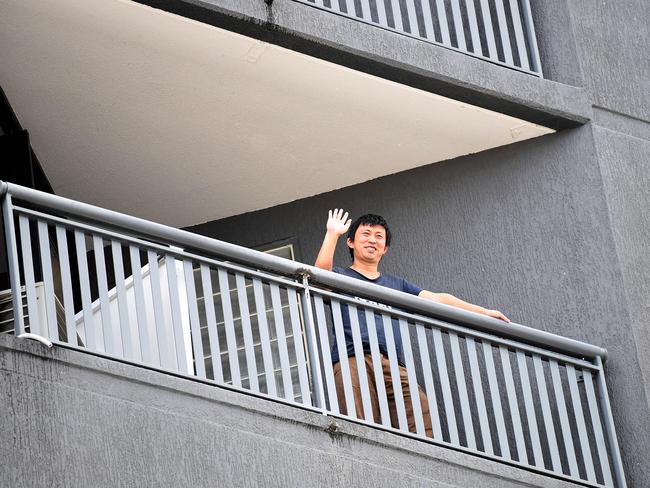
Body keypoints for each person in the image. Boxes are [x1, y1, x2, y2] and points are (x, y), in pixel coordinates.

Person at [314, 208, 510, 436]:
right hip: (352, 359)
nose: (372, 240)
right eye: (366, 234)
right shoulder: (342, 276)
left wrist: (483, 312)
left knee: (419, 415)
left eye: (379, 236)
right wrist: (332, 234)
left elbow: (438, 298)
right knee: (360, 422)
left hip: (392, 363)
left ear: (385, 248)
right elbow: (319, 279)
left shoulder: (397, 284)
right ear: (350, 242)